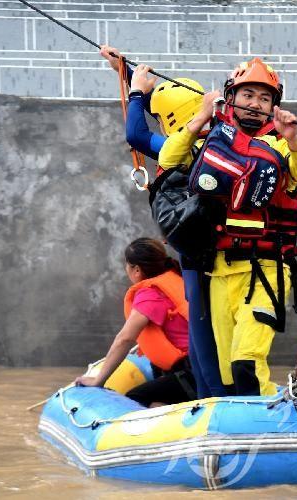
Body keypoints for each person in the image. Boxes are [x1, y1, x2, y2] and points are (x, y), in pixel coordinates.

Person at [158, 57, 297, 396]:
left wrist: (294, 140)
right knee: (227, 371)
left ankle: (266, 430)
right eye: (248, 95)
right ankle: (240, 433)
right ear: (231, 97)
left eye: (264, 98)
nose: (256, 104)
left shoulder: (281, 143)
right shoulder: (213, 140)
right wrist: (202, 115)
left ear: (273, 106)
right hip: (220, 271)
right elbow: (168, 159)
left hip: (267, 270)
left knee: (246, 360)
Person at [97, 45, 227, 399]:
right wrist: (124, 72)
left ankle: (211, 395)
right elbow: (170, 111)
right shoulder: (215, 138)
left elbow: (138, 135)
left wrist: (136, 92)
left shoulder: (185, 149)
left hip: (201, 255)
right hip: (216, 250)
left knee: (205, 334)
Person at [75, 238, 197, 407]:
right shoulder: (176, 278)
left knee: (136, 397)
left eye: (127, 265)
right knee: (155, 391)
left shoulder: (150, 294)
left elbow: (125, 339)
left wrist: (98, 380)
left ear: (136, 269)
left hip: (191, 374)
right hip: (200, 368)